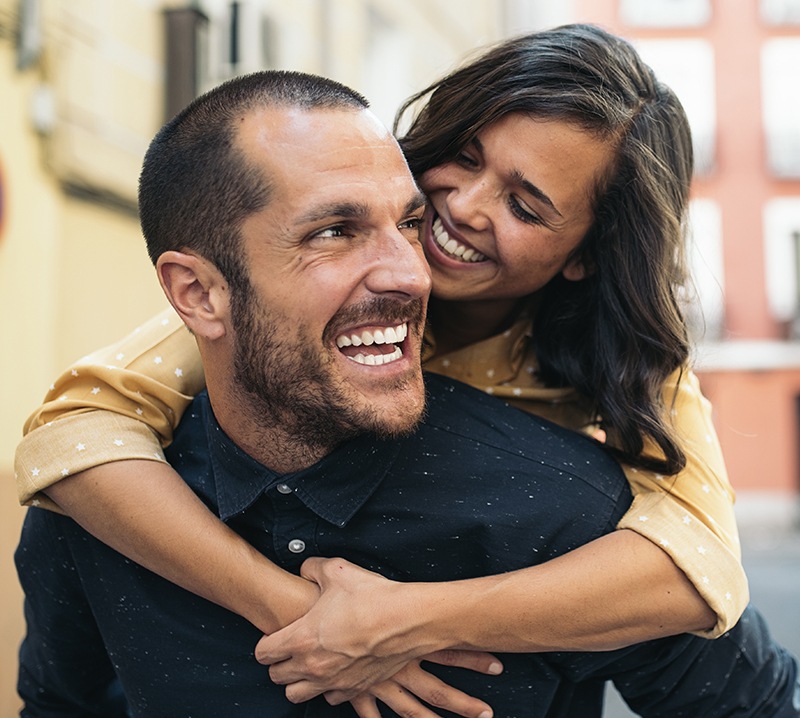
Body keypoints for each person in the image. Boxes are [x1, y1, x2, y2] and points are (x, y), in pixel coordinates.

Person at [15, 67, 800, 718]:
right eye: (462, 157)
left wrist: (404, 621)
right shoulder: (127, 480)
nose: (457, 212)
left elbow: (700, 574)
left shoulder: (585, 464)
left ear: (584, 257)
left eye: (526, 206)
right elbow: (72, 432)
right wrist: (296, 614)